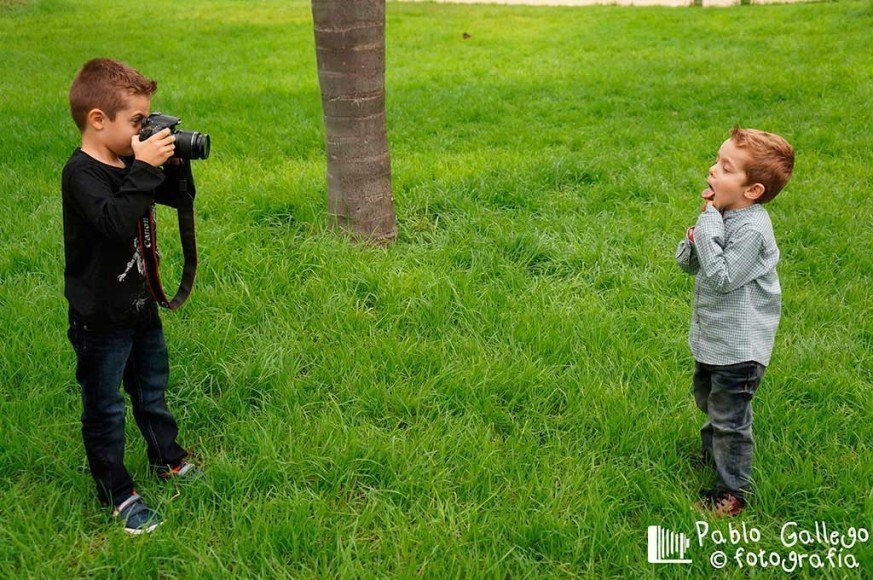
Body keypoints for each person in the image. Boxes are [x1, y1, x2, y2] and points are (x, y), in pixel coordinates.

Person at [62, 58, 201, 534]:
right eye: (138, 122)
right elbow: (113, 221)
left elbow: (172, 198)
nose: (145, 132)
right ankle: (117, 492)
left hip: (140, 307)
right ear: (98, 120)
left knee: (151, 391)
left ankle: (167, 457)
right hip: (100, 318)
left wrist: (173, 166)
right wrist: (142, 167)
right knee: (105, 408)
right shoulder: (81, 174)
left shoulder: (127, 161)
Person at [675, 127, 794, 517]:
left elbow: (723, 278)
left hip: (739, 349)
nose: (712, 170)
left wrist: (707, 228)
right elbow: (689, 265)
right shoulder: (722, 214)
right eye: (717, 160)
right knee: (710, 402)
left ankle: (732, 492)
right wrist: (698, 235)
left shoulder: (752, 230)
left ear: (752, 191)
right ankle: (714, 460)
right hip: (715, 340)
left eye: (725, 168)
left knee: (730, 418)